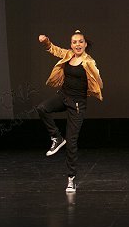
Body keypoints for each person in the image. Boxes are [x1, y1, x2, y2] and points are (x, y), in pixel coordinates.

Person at [36, 30, 103, 192]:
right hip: (63, 96)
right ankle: (57, 138)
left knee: (71, 142)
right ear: (71, 45)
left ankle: (71, 178)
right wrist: (46, 42)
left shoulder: (89, 62)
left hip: (77, 104)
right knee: (42, 108)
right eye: (74, 42)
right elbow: (53, 49)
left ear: (85, 44)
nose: (77, 44)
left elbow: (99, 82)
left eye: (80, 42)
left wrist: (95, 77)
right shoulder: (68, 55)